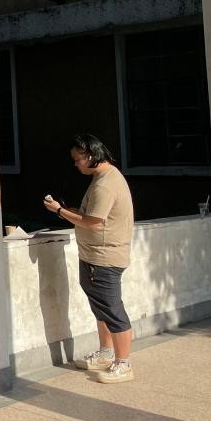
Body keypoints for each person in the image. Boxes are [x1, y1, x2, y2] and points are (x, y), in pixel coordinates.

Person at [43, 133, 135, 383]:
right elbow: (89, 214)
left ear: (90, 155)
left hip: (104, 258)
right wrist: (65, 210)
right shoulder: (103, 177)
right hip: (95, 256)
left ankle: (123, 364)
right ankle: (106, 353)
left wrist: (60, 211)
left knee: (112, 309)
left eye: (77, 159)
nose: (75, 164)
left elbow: (93, 222)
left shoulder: (106, 184)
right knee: (101, 307)